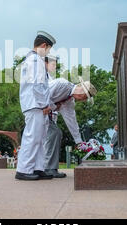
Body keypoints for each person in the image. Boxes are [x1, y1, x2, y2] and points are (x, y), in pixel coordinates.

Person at [16, 31, 57, 181]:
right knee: (32, 137)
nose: (48, 53)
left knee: (40, 138)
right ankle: (24, 169)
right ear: (44, 46)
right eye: (49, 50)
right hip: (36, 105)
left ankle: (38, 167)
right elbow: (38, 85)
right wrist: (45, 104)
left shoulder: (33, 60)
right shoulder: (35, 60)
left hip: (36, 104)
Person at [44, 73, 97, 178]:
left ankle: (48, 168)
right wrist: (54, 106)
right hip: (37, 110)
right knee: (55, 133)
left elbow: (71, 121)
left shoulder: (70, 102)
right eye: (85, 96)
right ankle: (48, 168)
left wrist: (79, 142)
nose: (83, 100)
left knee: (55, 134)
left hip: (48, 116)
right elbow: (43, 94)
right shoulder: (61, 84)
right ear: (81, 90)